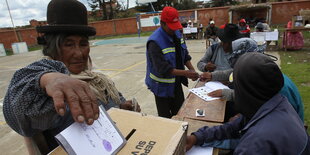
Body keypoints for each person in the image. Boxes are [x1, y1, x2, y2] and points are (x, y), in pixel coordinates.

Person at [3, 0, 140, 153]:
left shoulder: (97, 80)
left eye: (83, 44)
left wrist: (119, 107)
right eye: (68, 44)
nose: (79, 53)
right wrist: (49, 78)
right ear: (51, 47)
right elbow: (17, 112)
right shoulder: (47, 94)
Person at [186, 52, 310, 154]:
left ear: (248, 91)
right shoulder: (276, 103)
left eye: (237, 87)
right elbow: (234, 126)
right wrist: (197, 137)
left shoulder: (257, 141)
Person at [145, 6, 199, 118]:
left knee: (180, 113)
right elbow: (163, 69)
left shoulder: (177, 34)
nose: (174, 30)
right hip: (161, 87)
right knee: (166, 118)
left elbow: (184, 55)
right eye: (171, 27)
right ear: (162, 23)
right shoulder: (154, 42)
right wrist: (186, 73)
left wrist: (192, 70)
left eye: (175, 26)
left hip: (175, 83)